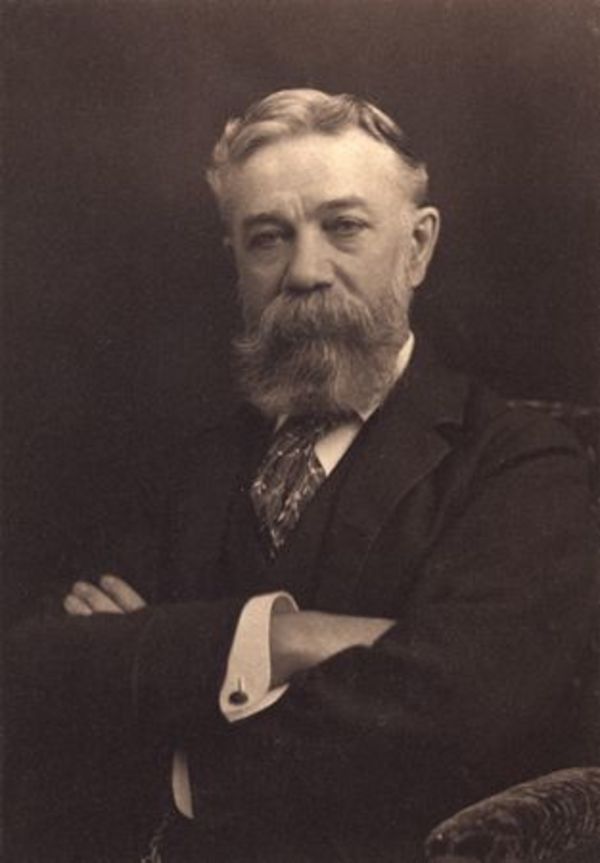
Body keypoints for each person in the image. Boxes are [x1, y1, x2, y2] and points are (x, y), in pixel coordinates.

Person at [6, 89, 597, 863]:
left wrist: (176, 733)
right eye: (268, 238)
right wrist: (285, 637)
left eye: (344, 227)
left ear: (417, 247)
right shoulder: (190, 463)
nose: (305, 271)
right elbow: (39, 664)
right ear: (236, 260)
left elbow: (465, 709)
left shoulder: (522, 461)